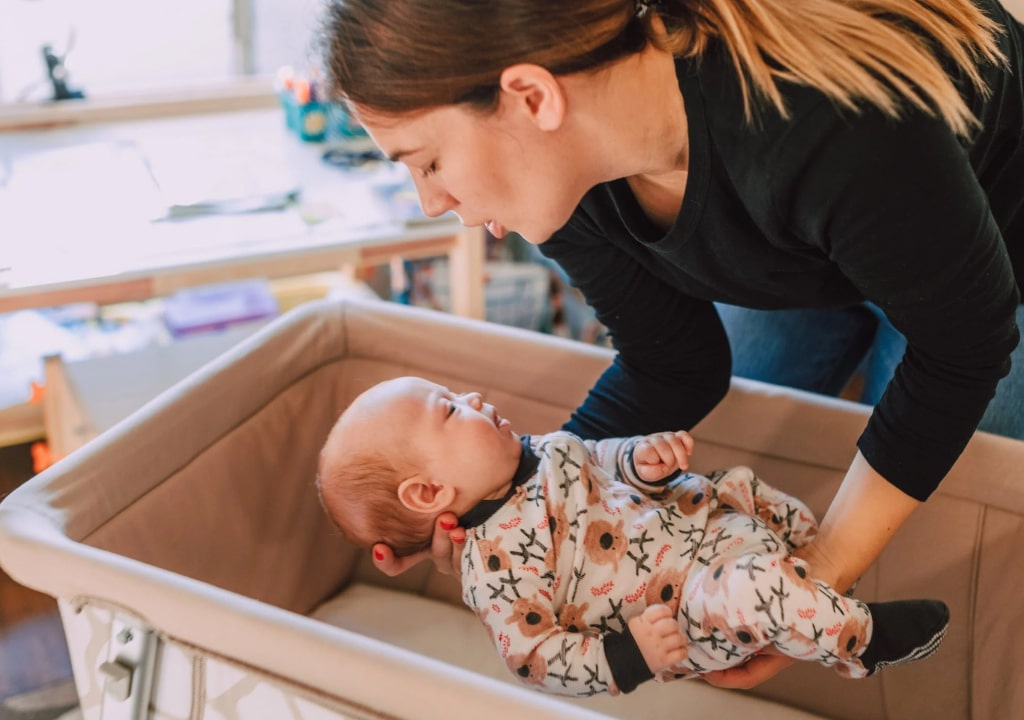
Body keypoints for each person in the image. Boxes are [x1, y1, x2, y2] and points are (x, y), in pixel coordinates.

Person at [317, 0, 1023, 687]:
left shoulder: (819, 120)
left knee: (966, 508)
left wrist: (823, 570)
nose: (431, 202)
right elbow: (675, 364)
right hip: (819, 238)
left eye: (428, 162)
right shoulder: (566, 176)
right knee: (748, 438)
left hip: (994, 240)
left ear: (531, 98)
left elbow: (964, 346)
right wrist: (528, 505)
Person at [316, 376, 950, 696]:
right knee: (755, 590)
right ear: (428, 493)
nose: (474, 397)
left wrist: (639, 461)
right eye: (452, 409)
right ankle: (859, 640)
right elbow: (534, 657)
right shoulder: (494, 568)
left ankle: (819, 599)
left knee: (751, 490)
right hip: (689, 609)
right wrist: (630, 655)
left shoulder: (540, 451)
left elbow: (598, 455)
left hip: (708, 523)